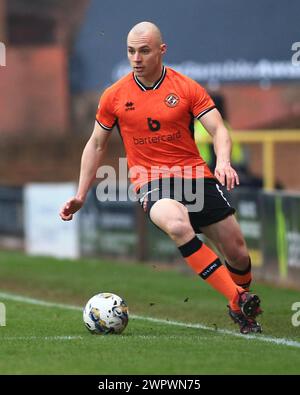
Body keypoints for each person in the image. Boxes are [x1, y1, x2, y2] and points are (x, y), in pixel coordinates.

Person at [60, 21, 262, 334]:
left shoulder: (186, 88)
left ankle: (244, 307)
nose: (136, 58)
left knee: (237, 252)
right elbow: (96, 144)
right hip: (151, 182)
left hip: (196, 176)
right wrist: (82, 194)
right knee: (178, 224)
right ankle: (237, 299)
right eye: (130, 51)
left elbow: (219, 129)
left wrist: (223, 161)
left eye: (144, 50)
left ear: (161, 50)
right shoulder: (114, 96)